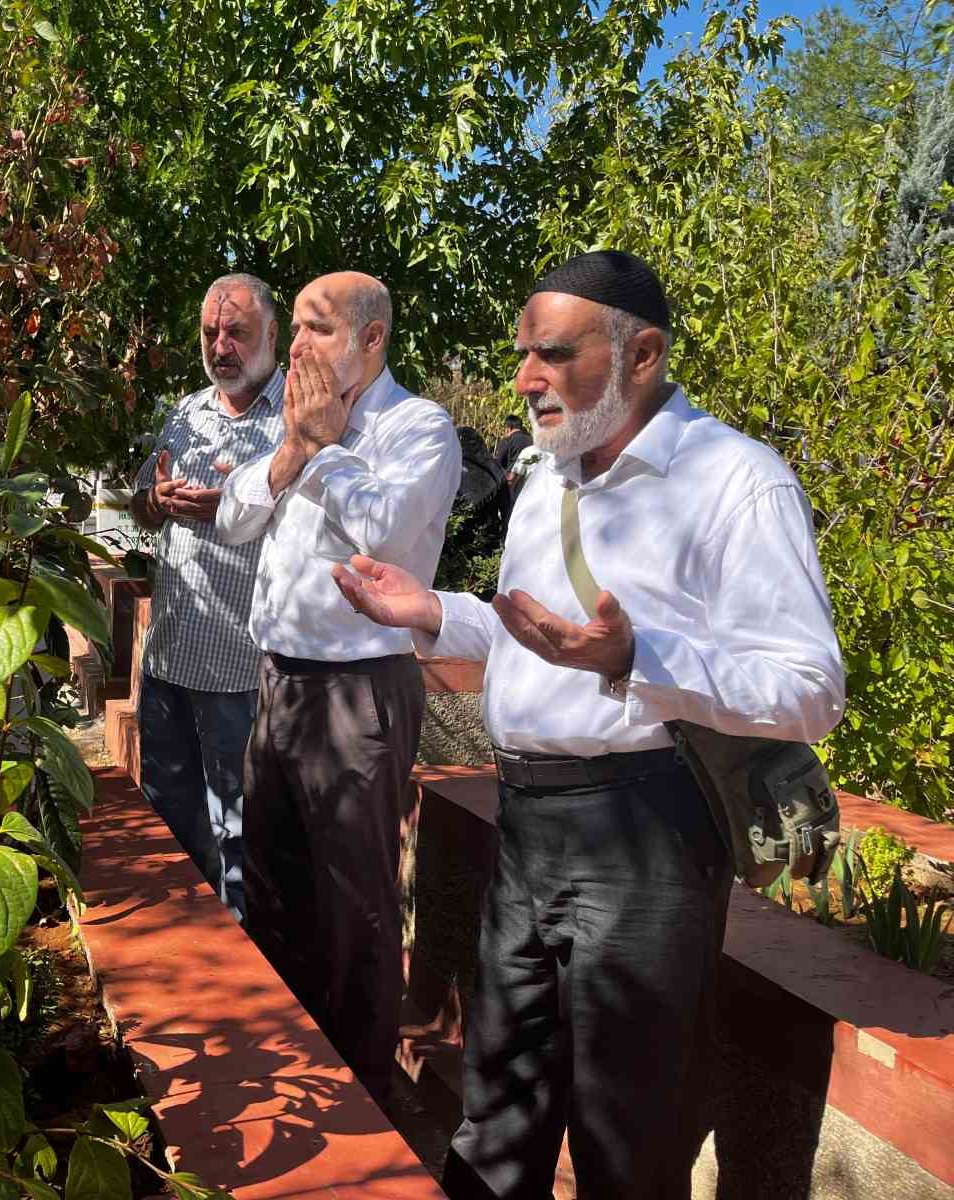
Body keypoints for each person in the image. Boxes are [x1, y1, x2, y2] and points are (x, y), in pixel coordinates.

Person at [332, 250, 845, 1199]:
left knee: (628, 1135)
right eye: (523, 352)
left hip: (645, 833)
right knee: (497, 1115)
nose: (524, 377)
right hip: (525, 827)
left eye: (553, 353)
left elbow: (809, 686)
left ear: (641, 354)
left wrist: (634, 659)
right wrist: (432, 611)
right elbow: (536, 639)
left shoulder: (736, 480)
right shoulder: (547, 483)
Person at [216, 271, 461, 1105]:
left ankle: (363, 1099)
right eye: (297, 332)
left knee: (355, 908)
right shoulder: (295, 419)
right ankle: (290, 1076)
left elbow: (385, 529)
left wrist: (322, 449)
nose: (297, 348)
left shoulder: (418, 428)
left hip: (359, 696)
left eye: (317, 329)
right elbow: (232, 517)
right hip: (278, 684)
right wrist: (289, 451)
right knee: (274, 888)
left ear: (371, 339)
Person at [129, 272, 285, 922]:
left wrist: (235, 506)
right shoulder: (185, 413)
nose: (221, 345)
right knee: (166, 830)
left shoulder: (297, 426)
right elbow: (139, 507)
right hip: (166, 663)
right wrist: (155, 502)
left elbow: (321, 529)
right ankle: (180, 962)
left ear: (272, 337)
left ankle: (243, 985)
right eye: (210, 332)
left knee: (237, 845)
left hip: (240, 674)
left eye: (237, 333)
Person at [493, 413, 534, 524]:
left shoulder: (507, 441)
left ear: (508, 428)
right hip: (532, 483)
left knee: (509, 518)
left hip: (511, 484)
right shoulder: (532, 440)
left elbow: (497, 464)